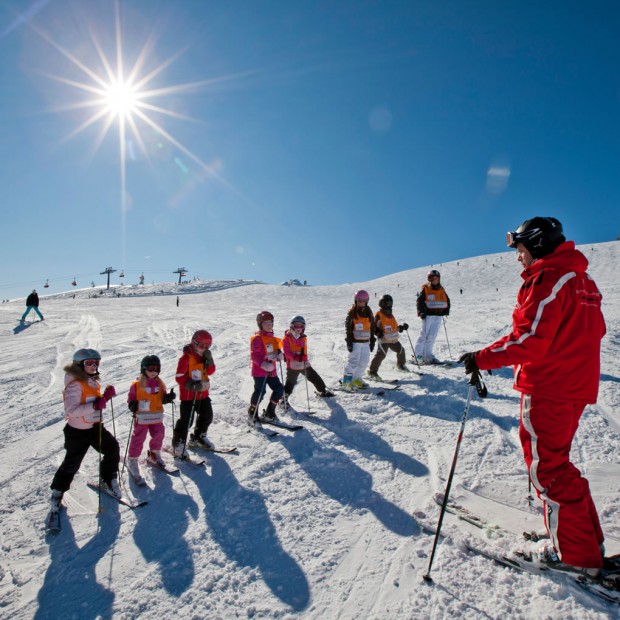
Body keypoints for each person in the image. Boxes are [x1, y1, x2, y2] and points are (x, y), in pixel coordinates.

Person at [459, 217, 606, 576]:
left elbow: (530, 340)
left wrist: (482, 357)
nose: (518, 258)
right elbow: (590, 331)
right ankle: (578, 539)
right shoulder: (580, 279)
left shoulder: (549, 278)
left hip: (550, 388)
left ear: (537, 246)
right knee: (559, 466)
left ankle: (576, 556)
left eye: (521, 250)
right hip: (572, 386)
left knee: (550, 472)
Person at [49, 349, 120, 511]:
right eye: (89, 363)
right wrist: (96, 405)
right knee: (72, 463)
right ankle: (57, 491)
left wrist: (104, 397)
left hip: (95, 427)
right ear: (80, 365)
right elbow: (71, 411)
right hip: (78, 432)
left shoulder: (91, 380)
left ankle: (107, 479)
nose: (94, 366)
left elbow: (92, 401)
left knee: (112, 448)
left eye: (96, 362)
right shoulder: (74, 384)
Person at [126, 355, 176, 482]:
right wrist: (132, 404)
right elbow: (131, 397)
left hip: (156, 415)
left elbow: (162, 398)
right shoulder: (137, 384)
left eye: (156, 369)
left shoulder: (160, 383)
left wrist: (168, 398)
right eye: (150, 369)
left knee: (159, 433)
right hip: (142, 417)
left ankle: (154, 453)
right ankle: (132, 459)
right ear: (144, 369)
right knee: (139, 437)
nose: (154, 372)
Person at [172, 330, 216, 457]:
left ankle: (198, 436)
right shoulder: (186, 358)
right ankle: (178, 442)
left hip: (203, 394)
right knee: (187, 420)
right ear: (194, 343)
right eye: (202, 346)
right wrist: (191, 385)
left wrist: (210, 359)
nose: (204, 349)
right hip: (188, 396)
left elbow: (211, 371)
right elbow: (179, 377)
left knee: (207, 415)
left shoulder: (205, 356)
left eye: (207, 347)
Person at [282, 315, 334, 404]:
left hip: (303, 362)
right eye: (296, 326)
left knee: (313, 376)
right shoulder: (287, 338)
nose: (298, 328)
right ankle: (284, 399)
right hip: (292, 365)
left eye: (301, 326)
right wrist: (297, 358)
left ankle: (322, 390)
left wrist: (304, 357)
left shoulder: (303, 337)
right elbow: (287, 353)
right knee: (291, 381)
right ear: (291, 326)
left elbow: (304, 350)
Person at [248, 311, 284, 424]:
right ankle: (252, 413)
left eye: (271, 323)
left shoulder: (273, 339)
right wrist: (263, 364)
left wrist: (279, 355)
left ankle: (270, 412)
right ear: (260, 325)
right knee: (260, 392)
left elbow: (275, 351)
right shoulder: (257, 339)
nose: (269, 325)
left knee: (279, 389)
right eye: (266, 323)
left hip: (271, 371)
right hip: (260, 372)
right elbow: (254, 355)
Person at [367, 294, 410, 380]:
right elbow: (374, 326)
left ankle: (401, 365)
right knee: (381, 354)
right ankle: (372, 372)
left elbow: (393, 327)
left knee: (401, 350)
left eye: (390, 303)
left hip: (392, 338)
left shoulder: (391, 315)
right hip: (384, 339)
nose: (389, 305)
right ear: (382, 303)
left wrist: (401, 327)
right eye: (387, 303)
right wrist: (378, 332)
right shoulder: (379, 315)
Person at [342, 290, 376, 389]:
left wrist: (372, 339)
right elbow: (348, 328)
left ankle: (356, 378)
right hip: (355, 342)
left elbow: (372, 326)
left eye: (363, 301)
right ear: (356, 300)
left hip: (365, 342)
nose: (361, 302)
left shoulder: (369, 312)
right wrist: (349, 341)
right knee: (353, 362)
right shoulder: (352, 313)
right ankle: (346, 381)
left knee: (364, 362)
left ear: (367, 301)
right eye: (359, 300)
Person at [414, 270, 450, 364]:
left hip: (437, 316)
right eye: (433, 278)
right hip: (428, 316)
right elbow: (419, 302)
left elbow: (447, 300)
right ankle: (418, 356)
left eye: (437, 278)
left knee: (432, 336)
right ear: (429, 279)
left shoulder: (441, 289)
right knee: (424, 336)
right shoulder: (426, 289)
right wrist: (421, 312)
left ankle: (428, 355)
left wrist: (446, 310)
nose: (435, 280)